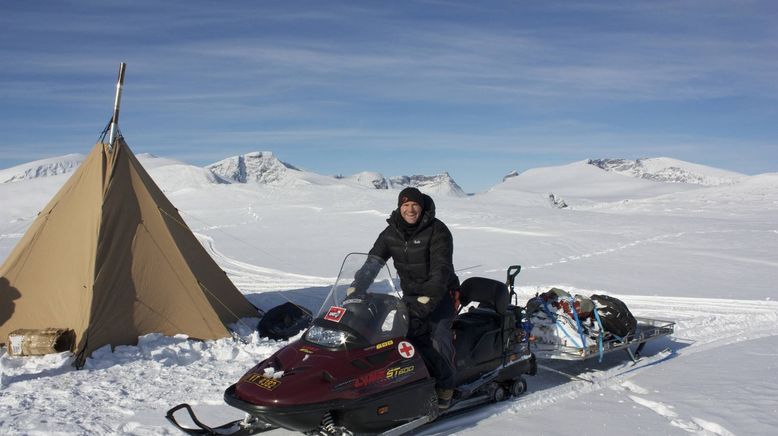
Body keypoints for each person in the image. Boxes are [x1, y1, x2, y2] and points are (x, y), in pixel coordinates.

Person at [362, 187, 460, 408]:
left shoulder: (438, 230)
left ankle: (446, 386)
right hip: (411, 294)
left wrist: (426, 302)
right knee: (396, 336)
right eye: (405, 205)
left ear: (422, 206)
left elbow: (440, 271)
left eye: (414, 204)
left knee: (438, 338)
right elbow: (372, 262)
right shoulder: (391, 232)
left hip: (442, 293)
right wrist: (356, 288)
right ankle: (403, 381)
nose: (410, 209)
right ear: (399, 207)